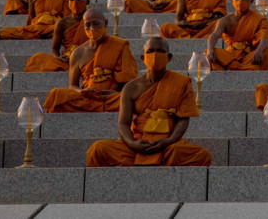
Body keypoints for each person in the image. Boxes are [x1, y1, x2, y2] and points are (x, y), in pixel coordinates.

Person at [85, 37, 212, 167]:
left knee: (202, 155)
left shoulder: (182, 83)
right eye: (150, 51)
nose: (155, 55)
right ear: (143, 57)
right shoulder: (131, 87)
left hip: (167, 145)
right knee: (97, 150)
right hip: (139, 143)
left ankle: (144, 165)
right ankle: (157, 165)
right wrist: (132, 143)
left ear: (169, 57)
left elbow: (183, 120)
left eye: (160, 51)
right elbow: (123, 124)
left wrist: (169, 141)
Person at [43, 9, 138, 112]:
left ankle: (100, 106)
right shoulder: (78, 52)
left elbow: (130, 81)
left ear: (105, 23)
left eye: (96, 24)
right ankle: (100, 107)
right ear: (83, 26)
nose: (92, 28)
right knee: (55, 95)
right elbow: (73, 86)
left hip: (111, 98)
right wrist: (82, 92)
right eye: (87, 25)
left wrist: (116, 93)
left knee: (132, 99)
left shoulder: (120, 46)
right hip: (87, 97)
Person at [24, 0, 90, 72]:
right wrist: (58, 57)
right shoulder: (62, 23)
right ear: (68, 2)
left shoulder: (93, 21)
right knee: (37, 58)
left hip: (88, 58)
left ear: (87, 2)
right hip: (68, 59)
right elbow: (54, 49)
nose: (75, 2)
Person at [206, 0, 268, 70]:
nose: (240, 1)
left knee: (266, 51)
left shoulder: (259, 19)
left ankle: (236, 68)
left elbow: (265, 36)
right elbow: (215, 35)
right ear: (232, 1)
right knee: (209, 52)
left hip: (250, 55)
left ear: (251, 1)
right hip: (230, 56)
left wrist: (259, 50)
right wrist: (210, 48)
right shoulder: (225, 20)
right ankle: (238, 67)